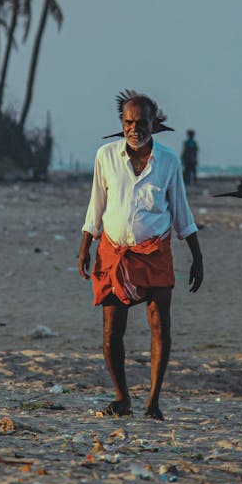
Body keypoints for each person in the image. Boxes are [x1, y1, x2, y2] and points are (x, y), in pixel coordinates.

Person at [77, 92, 204, 420]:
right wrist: (85, 246)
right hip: (112, 253)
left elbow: (181, 212)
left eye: (142, 123)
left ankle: (153, 403)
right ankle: (122, 398)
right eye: (128, 122)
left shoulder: (169, 162)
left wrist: (197, 257)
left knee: (159, 325)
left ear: (154, 124)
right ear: (121, 124)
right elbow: (96, 206)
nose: (135, 129)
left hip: (155, 253)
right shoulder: (105, 156)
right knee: (110, 331)